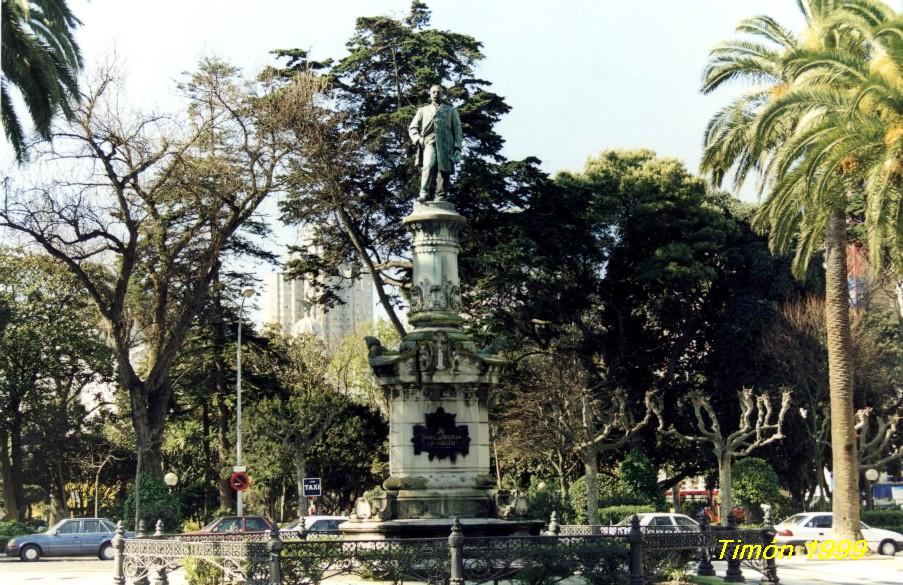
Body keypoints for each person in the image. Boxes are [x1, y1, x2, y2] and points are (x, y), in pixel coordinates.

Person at [408, 84, 463, 202]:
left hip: (446, 145)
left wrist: (457, 148)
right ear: (430, 94)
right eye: (433, 92)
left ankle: (441, 196)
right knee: (428, 165)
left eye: (438, 92)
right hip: (429, 142)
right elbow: (412, 127)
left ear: (442, 94)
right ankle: (424, 193)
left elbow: (457, 130)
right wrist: (418, 138)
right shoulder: (422, 110)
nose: (436, 94)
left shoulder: (451, 111)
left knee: (443, 169)